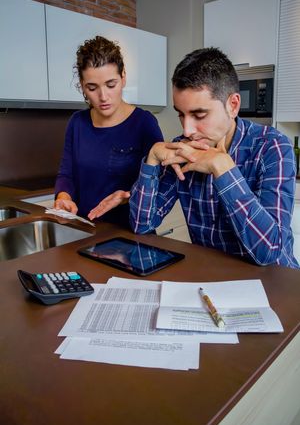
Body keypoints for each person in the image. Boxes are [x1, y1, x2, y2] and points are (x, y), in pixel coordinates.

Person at [129, 47, 299, 268]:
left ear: (233, 105)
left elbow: (269, 252)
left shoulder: (273, 146)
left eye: (199, 115)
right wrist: (152, 158)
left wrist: (223, 168)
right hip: (212, 278)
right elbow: (142, 226)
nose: (188, 129)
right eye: (181, 114)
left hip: (276, 285)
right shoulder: (184, 149)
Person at [54, 35, 163, 227]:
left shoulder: (144, 123)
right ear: (82, 86)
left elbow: (159, 182)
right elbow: (66, 174)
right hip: (84, 232)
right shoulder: (77, 123)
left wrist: (128, 196)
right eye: (92, 87)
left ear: (123, 78)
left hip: (128, 234)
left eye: (111, 85)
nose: (103, 96)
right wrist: (64, 196)